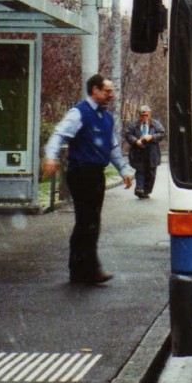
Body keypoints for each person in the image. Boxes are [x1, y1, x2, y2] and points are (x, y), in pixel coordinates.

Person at [41, 75, 134, 285]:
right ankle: (86, 270)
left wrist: (124, 169)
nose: (112, 95)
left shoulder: (107, 118)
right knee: (87, 221)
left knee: (91, 221)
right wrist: (50, 156)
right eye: (107, 91)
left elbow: (112, 148)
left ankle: (83, 269)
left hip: (96, 174)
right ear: (95, 90)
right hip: (81, 172)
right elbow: (59, 134)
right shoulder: (79, 113)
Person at [124, 105, 165, 199]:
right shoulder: (134, 124)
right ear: (139, 115)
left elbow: (162, 133)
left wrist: (152, 137)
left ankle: (146, 191)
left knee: (151, 172)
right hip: (138, 151)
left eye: (146, 115)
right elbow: (128, 134)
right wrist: (135, 141)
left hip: (152, 152)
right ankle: (139, 188)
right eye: (142, 115)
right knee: (140, 170)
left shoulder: (156, 124)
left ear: (150, 114)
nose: (144, 117)